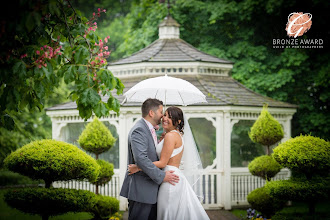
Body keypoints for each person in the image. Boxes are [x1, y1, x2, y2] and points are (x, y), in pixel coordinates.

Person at [128, 106, 210, 220]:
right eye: (164, 115)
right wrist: (161, 141)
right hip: (173, 176)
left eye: (169, 117)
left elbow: (162, 163)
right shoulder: (175, 134)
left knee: (168, 213)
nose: (164, 118)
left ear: (178, 121)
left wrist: (138, 167)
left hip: (169, 179)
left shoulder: (171, 136)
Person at [120, 98, 180, 220]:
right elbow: (141, 159)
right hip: (141, 190)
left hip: (151, 190)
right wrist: (162, 176)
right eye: (161, 112)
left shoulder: (150, 129)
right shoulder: (139, 130)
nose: (163, 116)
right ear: (151, 113)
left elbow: (151, 154)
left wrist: (161, 142)